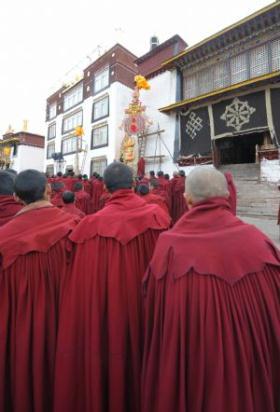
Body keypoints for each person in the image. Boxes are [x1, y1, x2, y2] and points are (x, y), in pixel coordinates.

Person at [142, 167, 280, 412]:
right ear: (228, 196)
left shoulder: (169, 248)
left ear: (187, 200)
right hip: (253, 372)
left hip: (196, 367)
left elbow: (156, 317)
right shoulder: (262, 243)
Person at [54, 162, 170, 412]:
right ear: (133, 184)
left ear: (105, 187)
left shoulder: (87, 227)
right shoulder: (159, 218)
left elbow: (79, 289)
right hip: (149, 315)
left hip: (107, 318)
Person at [0, 169, 78, 412]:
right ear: (47, 189)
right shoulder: (76, 225)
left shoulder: (3, 238)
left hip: (20, 332)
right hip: (68, 323)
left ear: (17, 197)